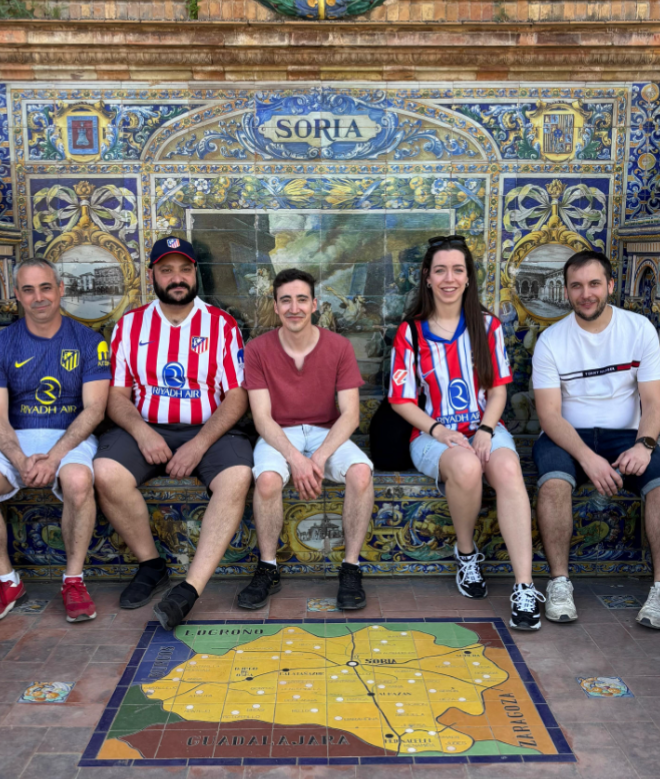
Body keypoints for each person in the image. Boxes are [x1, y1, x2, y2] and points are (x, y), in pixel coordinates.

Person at [93, 237, 253, 630]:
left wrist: (200, 443)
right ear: (152, 275)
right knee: (105, 473)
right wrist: (142, 432)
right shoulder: (131, 325)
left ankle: (189, 589)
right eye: (167, 270)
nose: (177, 278)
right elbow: (116, 395)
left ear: (196, 273)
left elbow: (236, 397)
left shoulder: (221, 324)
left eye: (185, 269)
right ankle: (151, 566)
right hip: (146, 425)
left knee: (237, 477)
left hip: (209, 427)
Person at [389, 235, 544, 630]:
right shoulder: (412, 331)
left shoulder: (487, 326)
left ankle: (524, 587)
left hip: (484, 426)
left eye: (457, 270)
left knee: (508, 471)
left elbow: (498, 391)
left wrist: (487, 430)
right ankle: (466, 554)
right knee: (466, 467)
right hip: (431, 434)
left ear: (468, 277)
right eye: (440, 270)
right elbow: (401, 400)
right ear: (426, 277)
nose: (449, 278)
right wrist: (439, 430)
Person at [533, 250, 660, 629]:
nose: (585, 293)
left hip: (629, 435)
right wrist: (587, 457)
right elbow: (550, 415)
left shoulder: (639, 330)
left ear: (610, 285)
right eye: (576, 286)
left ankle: (659, 589)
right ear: (567, 292)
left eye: (593, 284)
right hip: (567, 436)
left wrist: (645, 443)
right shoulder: (551, 341)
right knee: (553, 485)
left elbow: (653, 401)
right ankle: (559, 584)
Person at [239, 268, 374, 610]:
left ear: (315, 304)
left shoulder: (339, 347)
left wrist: (316, 458)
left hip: (326, 433)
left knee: (360, 472)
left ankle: (351, 567)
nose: (294, 308)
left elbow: (351, 415)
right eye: (286, 300)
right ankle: (268, 567)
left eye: (301, 300)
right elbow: (262, 418)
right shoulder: (257, 350)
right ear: (275, 306)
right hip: (279, 433)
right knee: (267, 481)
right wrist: (296, 460)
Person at [0, 258, 110, 622]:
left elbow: (94, 411)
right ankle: (7, 579)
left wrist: (53, 457)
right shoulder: (3, 342)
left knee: (78, 480)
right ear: (17, 295)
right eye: (28, 290)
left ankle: (73, 580)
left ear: (60, 289)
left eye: (45, 287)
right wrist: (19, 460)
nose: (38, 297)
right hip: (15, 439)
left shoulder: (88, 341)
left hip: (70, 434)